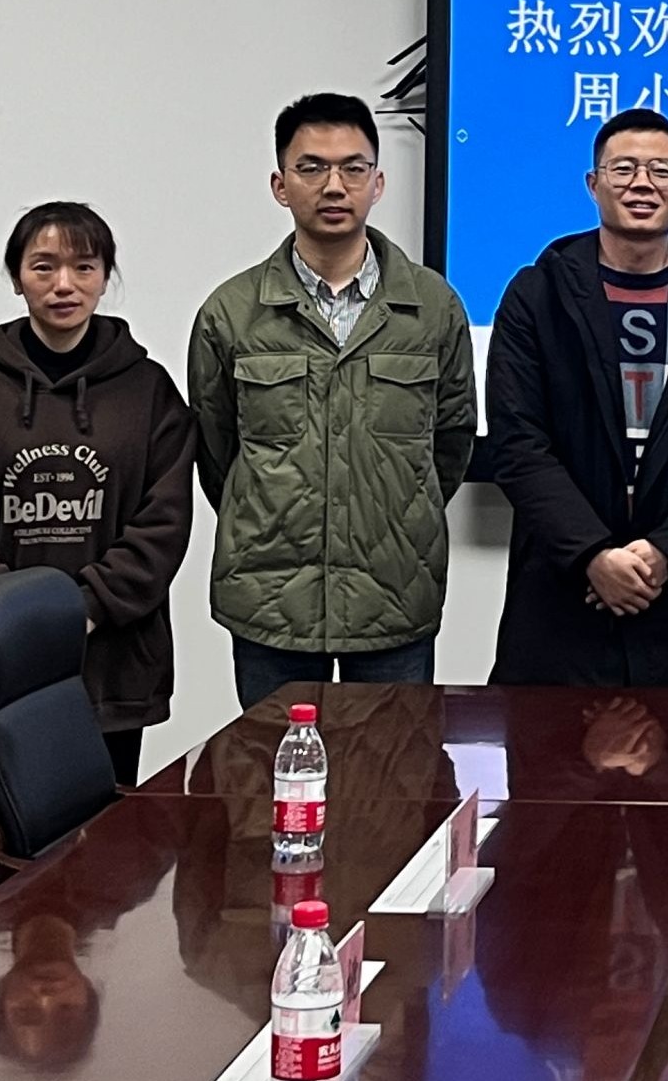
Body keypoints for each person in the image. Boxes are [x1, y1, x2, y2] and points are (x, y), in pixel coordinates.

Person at [188, 93, 477, 709]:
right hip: (271, 597)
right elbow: (219, 454)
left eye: (353, 167)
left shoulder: (433, 308)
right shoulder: (231, 313)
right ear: (280, 185)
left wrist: (391, 511)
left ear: (378, 183)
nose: (334, 185)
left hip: (395, 591)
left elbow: (450, 444)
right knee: (277, 767)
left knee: (391, 770)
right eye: (312, 167)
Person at [487, 108, 668, 688]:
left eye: (661, 171)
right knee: (545, 749)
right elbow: (519, 443)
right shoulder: (538, 295)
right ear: (593, 184)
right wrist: (593, 555)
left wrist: (663, 555)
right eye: (624, 169)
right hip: (560, 600)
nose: (643, 184)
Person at [0, 203, 195, 786]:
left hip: (115, 663)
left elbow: (163, 524)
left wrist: (86, 610)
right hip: (5, 663)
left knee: (110, 833)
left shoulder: (149, 391)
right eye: (43, 266)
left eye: (84, 267)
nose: (64, 285)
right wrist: (18, 621)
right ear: (17, 278)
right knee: (11, 828)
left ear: (105, 277)